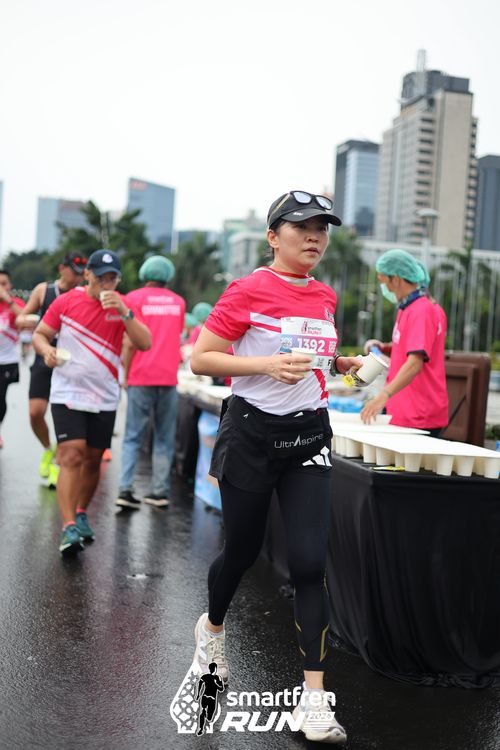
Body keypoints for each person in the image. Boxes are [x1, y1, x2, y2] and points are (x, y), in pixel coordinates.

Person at [189, 190, 363, 744]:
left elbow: (312, 354)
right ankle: (212, 630)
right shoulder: (247, 289)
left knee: (309, 564)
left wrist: (343, 362)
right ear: (273, 236)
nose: (314, 237)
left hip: (309, 435)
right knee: (241, 551)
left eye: (322, 228)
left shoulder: (325, 295)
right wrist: (265, 365)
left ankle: (315, 700)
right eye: (301, 227)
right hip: (251, 435)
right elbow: (201, 357)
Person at [32, 249, 151, 554]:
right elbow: (40, 334)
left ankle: (82, 512)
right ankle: (68, 526)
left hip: (104, 395)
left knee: (93, 459)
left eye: (112, 279)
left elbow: (145, 342)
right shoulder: (66, 301)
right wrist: (47, 351)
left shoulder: (123, 305)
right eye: (101, 278)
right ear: (87, 275)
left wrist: (125, 313)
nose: (106, 284)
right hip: (68, 392)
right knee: (72, 454)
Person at [115, 255, 185, 510]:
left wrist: (125, 374)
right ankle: (159, 492)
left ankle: (125, 489)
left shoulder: (132, 299)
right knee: (164, 437)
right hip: (168, 377)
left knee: (133, 436)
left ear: (145, 273)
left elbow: (129, 341)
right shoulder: (179, 302)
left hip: (140, 375)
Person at [16, 252, 87, 484]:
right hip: (44, 356)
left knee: (66, 417)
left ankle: (59, 462)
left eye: (82, 274)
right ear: (62, 269)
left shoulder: (84, 293)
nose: (78, 278)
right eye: (74, 272)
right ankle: (48, 448)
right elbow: (20, 319)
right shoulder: (44, 291)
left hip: (72, 361)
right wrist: (34, 322)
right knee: (35, 413)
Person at [361, 249, 448, 435]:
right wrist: (383, 348)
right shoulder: (407, 308)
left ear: (396, 279)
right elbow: (410, 345)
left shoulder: (421, 310)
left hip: (419, 413)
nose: (385, 288)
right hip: (404, 409)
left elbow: (415, 362)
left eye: (384, 281)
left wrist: (383, 396)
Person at [0, 269, 25, 448]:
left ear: (10, 285)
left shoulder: (15, 303)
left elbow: (25, 318)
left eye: (4, 283)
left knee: (0, 397)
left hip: (7, 360)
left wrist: (8, 300)